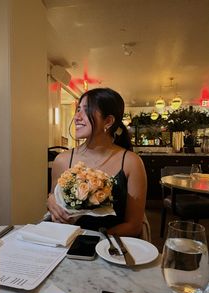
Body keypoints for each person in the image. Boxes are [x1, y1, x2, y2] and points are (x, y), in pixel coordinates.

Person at [47, 88, 148, 238]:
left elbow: (134, 225)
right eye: (78, 109)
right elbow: (55, 197)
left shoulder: (131, 163)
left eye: (86, 110)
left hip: (109, 246)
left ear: (108, 121)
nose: (76, 117)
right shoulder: (62, 160)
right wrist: (50, 201)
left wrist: (93, 239)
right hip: (65, 243)